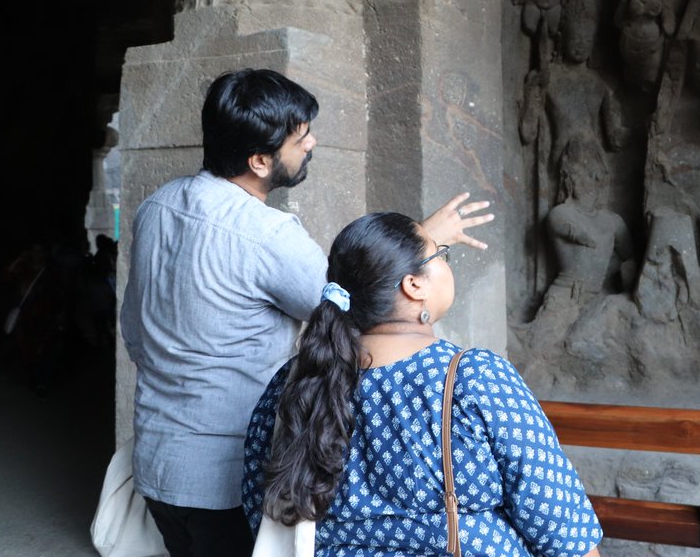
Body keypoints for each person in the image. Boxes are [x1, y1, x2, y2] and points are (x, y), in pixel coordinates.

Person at [120, 67, 493, 557]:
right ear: (259, 160)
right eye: (300, 138)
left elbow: (132, 329)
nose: (312, 143)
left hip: (155, 460)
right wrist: (420, 247)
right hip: (223, 479)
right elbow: (361, 308)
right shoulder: (265, 235)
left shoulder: (156, 207)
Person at [242, 212, 603, 557]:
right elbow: (561, 525)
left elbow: (262, 505)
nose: (447, 264)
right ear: (414, 285)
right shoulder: (473, 377)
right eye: (440, 254)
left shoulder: (296, 380)